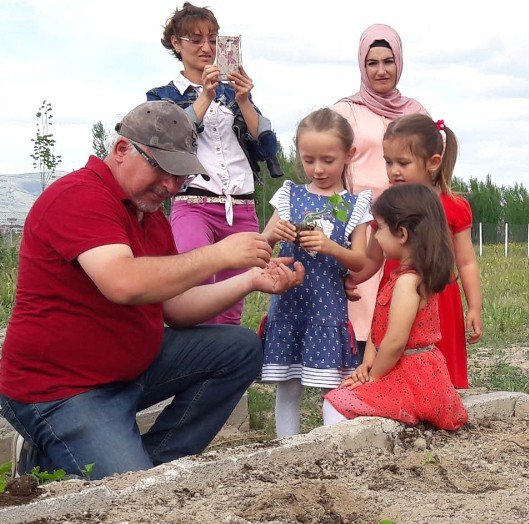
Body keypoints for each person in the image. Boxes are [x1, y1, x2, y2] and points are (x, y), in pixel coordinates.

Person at [0, 101, 304, 480]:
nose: (171, 185)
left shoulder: (149, 215)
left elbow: (175, 310)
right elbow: (123, 282)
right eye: (161, 169)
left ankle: (150, 466)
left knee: (239, 349)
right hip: (63, 388)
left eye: (179, 175)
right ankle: (57, 454)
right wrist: (217, 254)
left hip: (131, 368)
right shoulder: (79, 196)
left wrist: (250, 280)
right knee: (129, 490)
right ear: (122, 150)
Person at [147, 2, 281, 325]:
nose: (206, 48)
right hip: (194, 202)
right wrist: (203, 98)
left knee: (232, 302)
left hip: (241, 204)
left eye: (213, 39)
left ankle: (226, 371)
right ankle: (194, 369)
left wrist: (244, 101)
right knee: (192, 290)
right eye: (195, 40)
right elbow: (167, 142)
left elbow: (266, 148)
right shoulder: (163, 96)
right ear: (176, 44)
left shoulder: (234, 93)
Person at [259, 109, 372, 438]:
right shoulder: (289, 196)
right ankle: (287, 451)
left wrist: (329, 246)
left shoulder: (355, 206)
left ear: (348, 155)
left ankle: (332, 449)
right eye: (309, 160)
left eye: (328, 159)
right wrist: (272, 235)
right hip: (290, 307)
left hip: (327, 311)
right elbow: (263, 244)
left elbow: (360, 261)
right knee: (288, 387)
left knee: (334, 390)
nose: (318, 169)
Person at [352, 114, 483, 388]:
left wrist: (475, 307)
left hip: (439, 299)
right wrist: (350, 280)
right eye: (388, 162)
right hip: (394, 296)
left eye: (403, 162)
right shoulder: (386, 207)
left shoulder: (453, 206)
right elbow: (374, 258)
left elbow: (466, 262)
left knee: (440, 366)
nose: (394, 170)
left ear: (433, 162)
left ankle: (442, 406)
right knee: (393, 352)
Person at [324, 184, 468, 430]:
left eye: (379, 228)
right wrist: (367, 363)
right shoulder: (400, 277)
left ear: (402, 234)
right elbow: (377, 330)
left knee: (335, 402)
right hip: (407, 372)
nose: (376, 236)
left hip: (412, 379)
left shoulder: (407, 282)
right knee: (348, 392)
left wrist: (373, 377)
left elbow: (395, 341)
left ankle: (345, 452)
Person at [333, 24, 429, 356]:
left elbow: (430, 166)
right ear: (362, 65)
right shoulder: (345, 111)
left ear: (399, 62)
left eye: (388, 61)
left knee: (403, 296)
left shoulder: (415, 111)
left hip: (405, 223)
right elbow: (334, 166)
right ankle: (360, 364)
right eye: (372, 63)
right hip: (360, 219)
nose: (381, 70)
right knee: (361, 296)